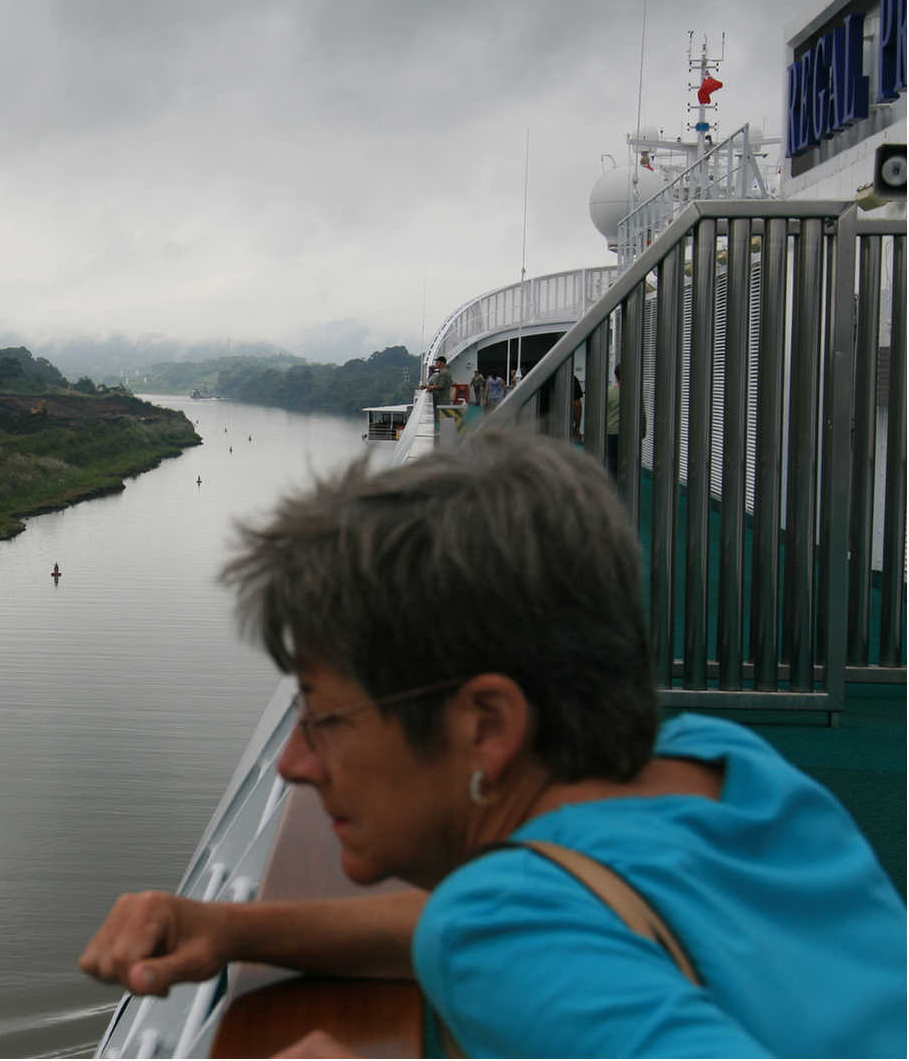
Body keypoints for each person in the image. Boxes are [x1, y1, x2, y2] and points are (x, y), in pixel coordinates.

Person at [79, 430, 905, 1057]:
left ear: (487, 726)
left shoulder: (499, 930)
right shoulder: (724, 764)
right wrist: (233, 930)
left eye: (324, 718)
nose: (293, 763)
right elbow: (535, 927)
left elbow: (507, 931)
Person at [605, 364, 646, 481]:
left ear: (616, 376)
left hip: (612, 432)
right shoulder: (635, 393)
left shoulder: (609, 392)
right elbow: (642, 414)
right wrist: (642, 431)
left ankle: (613, 483)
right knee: (629, 461)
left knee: (612, 460)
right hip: (630, 434)